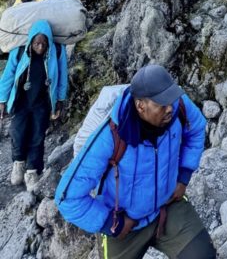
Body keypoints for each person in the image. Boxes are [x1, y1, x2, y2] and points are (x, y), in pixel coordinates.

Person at [56, 64, 215, 259]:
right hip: (125, 225)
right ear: (140, 106)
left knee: (203, 256)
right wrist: (111, 224)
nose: (169, 109)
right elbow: (67, 198)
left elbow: (197, 127)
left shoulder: (177, 105)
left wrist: (183, 177)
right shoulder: (109, 138)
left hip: (167, 206)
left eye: (170, 101)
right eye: (161, 104)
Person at [0, 19, 67, 190]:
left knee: (38, 136)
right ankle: (19, 164)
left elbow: (62, 77)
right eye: (37, 43)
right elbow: (8, 75)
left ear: (49, 42)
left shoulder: (57, 52)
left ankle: (32, 172)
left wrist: (60, 99)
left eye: (44, 43)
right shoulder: (20, 51)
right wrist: (2, 100)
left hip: (42, 104)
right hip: (21, 102)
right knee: (17, 133)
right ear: (31, 41)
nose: (40, 47)